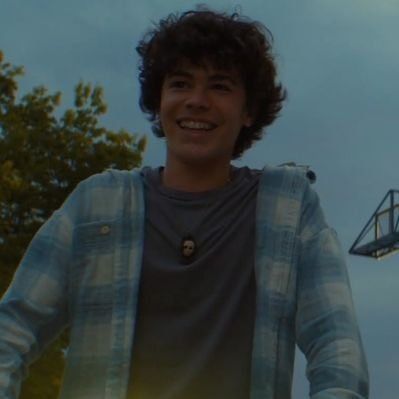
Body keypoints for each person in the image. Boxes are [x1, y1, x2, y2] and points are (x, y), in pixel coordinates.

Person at [0, 8, 369, 399]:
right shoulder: (96, 203)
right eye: (180, 84)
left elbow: (337, 347)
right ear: (159, 101)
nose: (197, 101)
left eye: (220, 86)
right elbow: (13, 327)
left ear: (248, 110)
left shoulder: (291, 208)